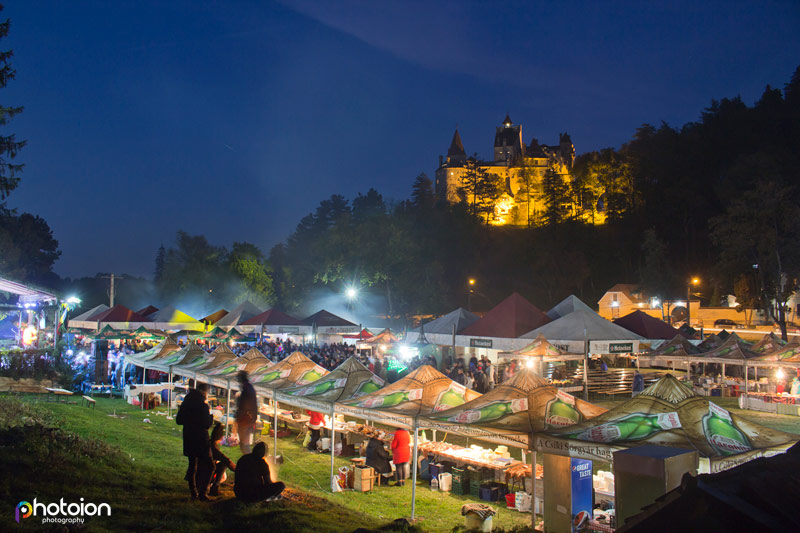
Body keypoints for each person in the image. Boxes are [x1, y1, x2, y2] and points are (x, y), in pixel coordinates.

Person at [176, 381, 214, 501]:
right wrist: (211, 417)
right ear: (203, 391)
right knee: (210, 465)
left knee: (192, 465)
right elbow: (206, 424)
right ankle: (203, 492)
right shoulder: (202, 405)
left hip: (189, 437)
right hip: (201, 439)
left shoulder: (186, 402)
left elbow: (179, 420)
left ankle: (194, 492)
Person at [205, 422, 236, 496]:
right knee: (223, 464)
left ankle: (213, 486)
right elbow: (225, 459)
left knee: (222, 464)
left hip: (205, 470)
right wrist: (237, 469)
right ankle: (214, 488)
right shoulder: (213, 446)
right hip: (205, 472)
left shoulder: (210, 443)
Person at [236, 371, 258, 455]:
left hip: (245, 419)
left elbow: (244, 406)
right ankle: (249, 460)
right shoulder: (249, 388)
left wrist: (238, 418)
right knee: (245, 443)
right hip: (249, 418)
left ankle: (249, 461)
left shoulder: (246, 389)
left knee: (244, 444)